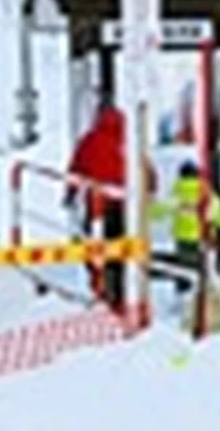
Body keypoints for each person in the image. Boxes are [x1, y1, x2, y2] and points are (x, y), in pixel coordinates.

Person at [65, 98, 156, 311]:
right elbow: (146, 168)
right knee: (121, 248)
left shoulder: (90, 140)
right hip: (125, 206)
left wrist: (70, 194)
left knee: (95, 246)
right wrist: (151, 188)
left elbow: (76, 168)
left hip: (97, 205)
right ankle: (121, 291)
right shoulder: (129, 141)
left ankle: (101, 286)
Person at [152, 159, 220, 294]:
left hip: (183, 240)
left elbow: (157, 212)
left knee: (183, 271)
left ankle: (182, 295)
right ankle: (199, 298)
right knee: (202, 274)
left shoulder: (177, 194)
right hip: (203, 238)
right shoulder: (206, 195)